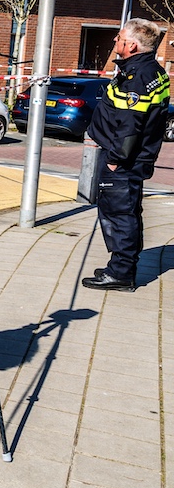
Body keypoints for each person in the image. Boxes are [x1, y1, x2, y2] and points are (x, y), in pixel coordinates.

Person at [82, 18, 170, 292]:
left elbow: (131, 124)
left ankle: (121, 273)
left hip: (123, 160)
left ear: (131, 45)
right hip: (132, 157)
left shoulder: (138, 77)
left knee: (119, 213)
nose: (115, 41)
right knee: (128, 212)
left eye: (119, 38)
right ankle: (122, 266)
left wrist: (115, 159)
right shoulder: (152, 71)